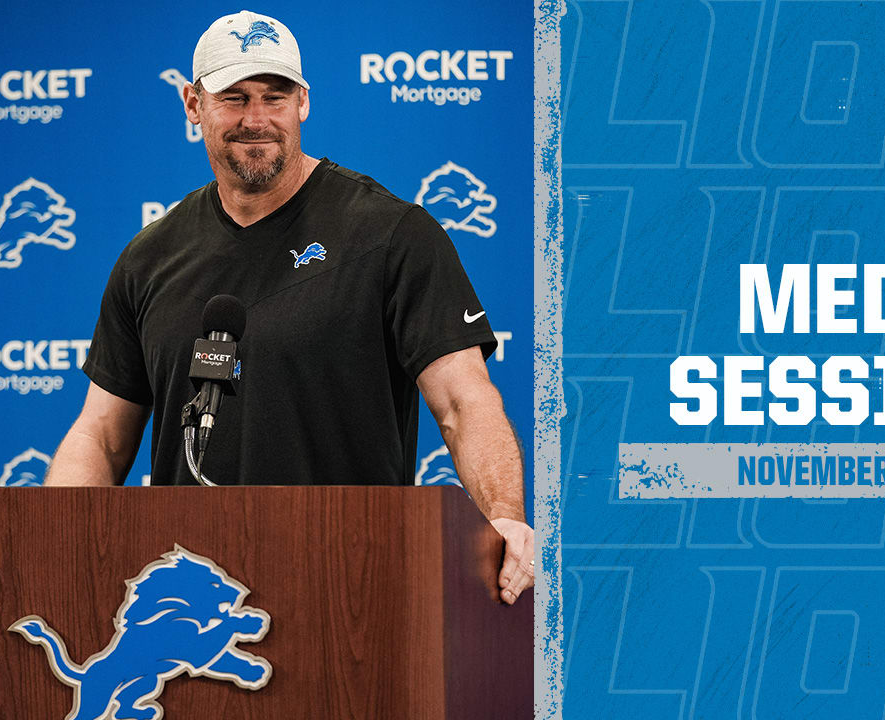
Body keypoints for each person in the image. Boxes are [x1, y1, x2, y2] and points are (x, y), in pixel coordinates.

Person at [44, 10, 534, 606]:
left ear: (303, 102)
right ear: (193, 104)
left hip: (353, 587)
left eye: (275, 98)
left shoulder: (392, 234)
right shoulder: (150, 258)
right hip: (192, 598)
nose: (257, 119)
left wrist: (503, 517)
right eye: (235, 98)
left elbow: (464, 399)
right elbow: (100, 435)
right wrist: (51, 541)